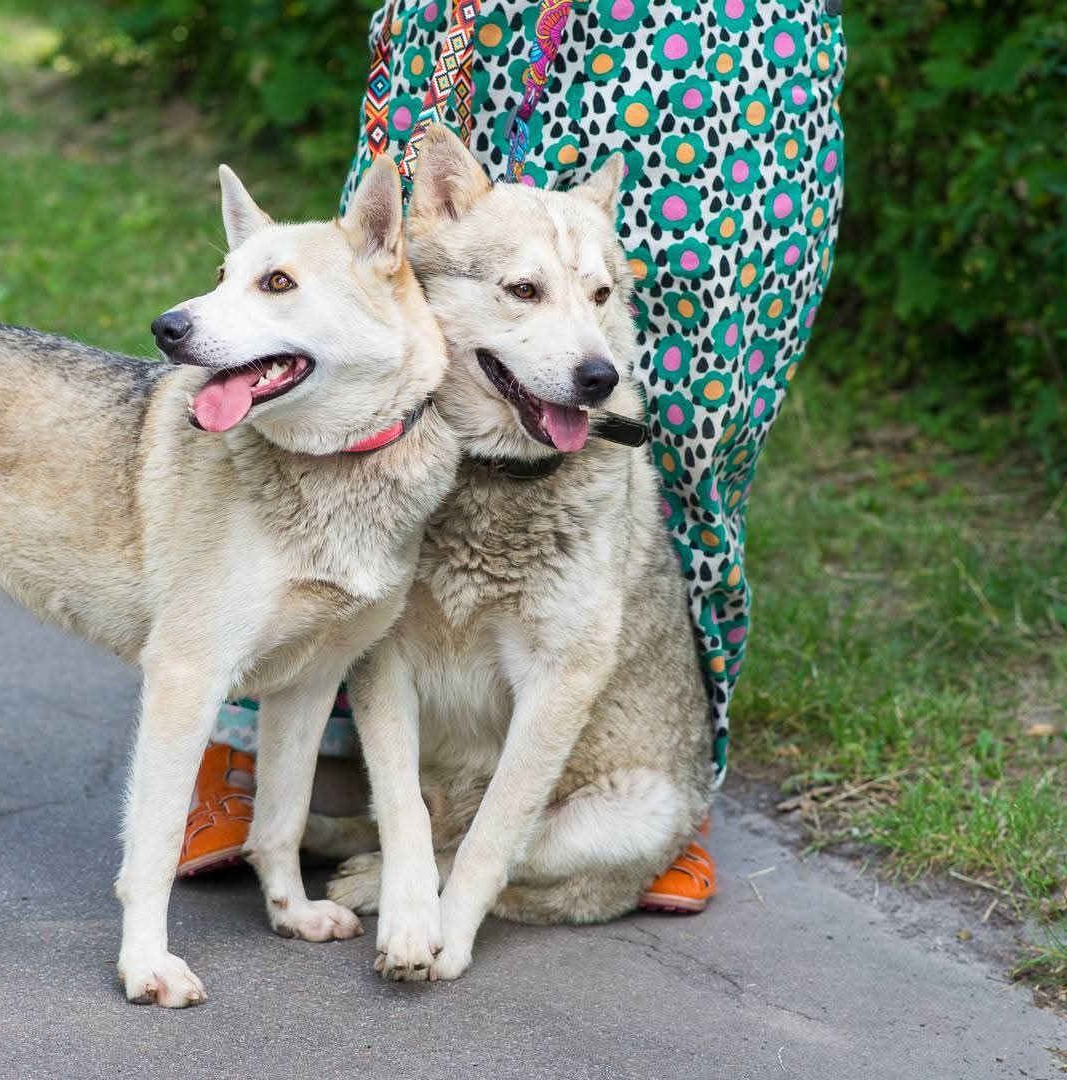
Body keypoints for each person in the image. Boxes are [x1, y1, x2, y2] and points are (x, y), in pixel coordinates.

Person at [179, 0, 846, 913]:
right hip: (485, 28)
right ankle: (252, 747)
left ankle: (630, 799)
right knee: (359, 380)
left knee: (677, 425)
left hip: (713, 44)